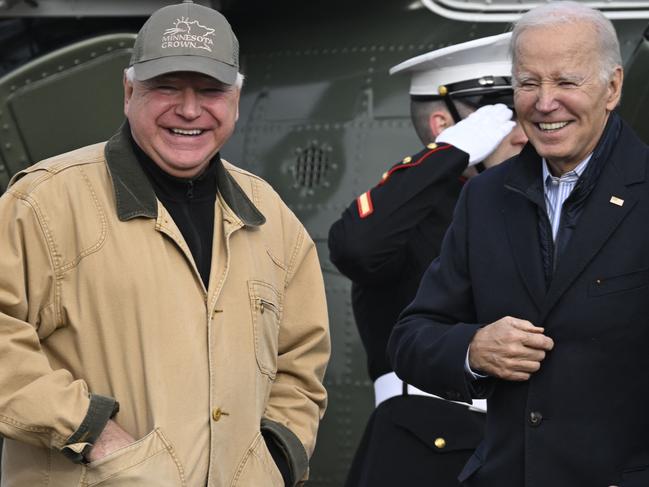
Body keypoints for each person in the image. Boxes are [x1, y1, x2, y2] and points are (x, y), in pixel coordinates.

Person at [0, 1, 330, 486]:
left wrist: (275, 460)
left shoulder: (270, 217)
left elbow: (301, 362)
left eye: (212, 91)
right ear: (129, 91)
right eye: (166, 88)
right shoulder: (45, 202)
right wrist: (92, 433)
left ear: (236, 100)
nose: (190, 110)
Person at [387, 2, 649, 486]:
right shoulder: (485, 198)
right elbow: (411, 337)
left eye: (567, 82)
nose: (545, 102)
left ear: (612, 88)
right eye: (528, 83)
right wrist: (472, 348)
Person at [328, 33, 527, 487]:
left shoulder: (529, 207)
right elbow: (357, 247)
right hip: (425, 445)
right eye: (500, 114)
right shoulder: (407, 216)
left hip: (520, 442)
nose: (520, 131)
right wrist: (449, 155)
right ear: (445, 124)